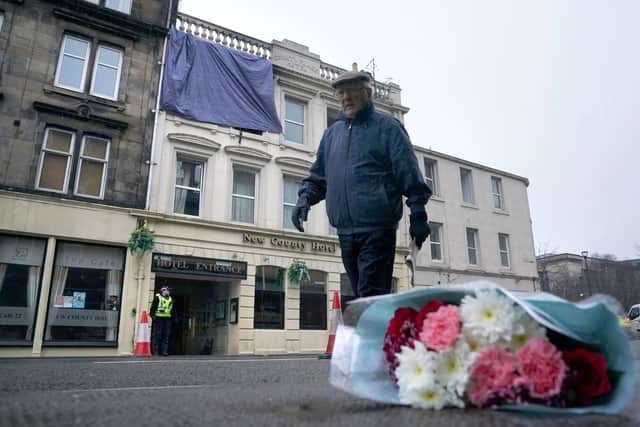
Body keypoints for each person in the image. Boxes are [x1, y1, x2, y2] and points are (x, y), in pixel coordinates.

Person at [292, 71, 432, 298]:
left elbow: (409, 171)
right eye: (341, 94)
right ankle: (381, 332)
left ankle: (374, 332)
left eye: (352, 92)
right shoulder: (332, 135)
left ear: (367, 94)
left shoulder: (387, 127)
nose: (345, 98)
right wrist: (304, 199)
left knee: (369, 298)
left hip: (377, 229)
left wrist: (418, 213)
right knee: (363, 297)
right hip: (345, 232)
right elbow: (319, 177)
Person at [149, 286, 175, 356]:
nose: (168, 292)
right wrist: (153, 318)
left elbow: (172, 310)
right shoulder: (157, 298)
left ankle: (164, 351)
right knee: (157, 336)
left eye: (169, 291)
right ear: (163, 291)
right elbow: (152, 309)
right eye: (167, 290)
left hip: (167, 320)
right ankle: (155, 352)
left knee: (166, 335)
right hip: (158, 319)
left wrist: (173, 319)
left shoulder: (170, 299)